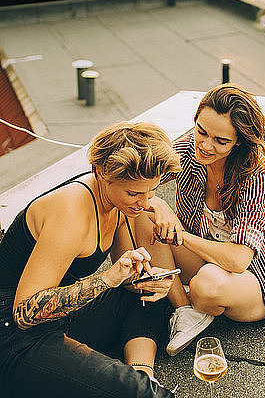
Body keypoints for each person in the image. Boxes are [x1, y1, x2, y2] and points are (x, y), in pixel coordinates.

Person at [0, 121, 182, 398]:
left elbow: (128, 280)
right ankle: (140, 387)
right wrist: (107, 278)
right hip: (14, 334)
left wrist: (149, 281)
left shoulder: (118, 203)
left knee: (149, 299)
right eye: (134, 193)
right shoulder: (71, 211)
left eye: (152, 191)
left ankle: (142, 372)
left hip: (60, 317)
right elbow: (26, 314)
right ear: (101, 173)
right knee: (139, 393)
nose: (145, 203)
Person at [135, 84, 265, 356]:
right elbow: (138, 180)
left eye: (221, 141)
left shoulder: (258, 177)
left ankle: (200, 300)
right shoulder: (188, 150)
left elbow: (237, 260)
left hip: (250, 280)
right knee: (141, 216)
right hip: (203, 259)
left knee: (208, 283)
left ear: (239, 142)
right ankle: (185, 310)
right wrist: (158, 202)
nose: (206, 146)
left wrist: (178, 234)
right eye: (201, 131)